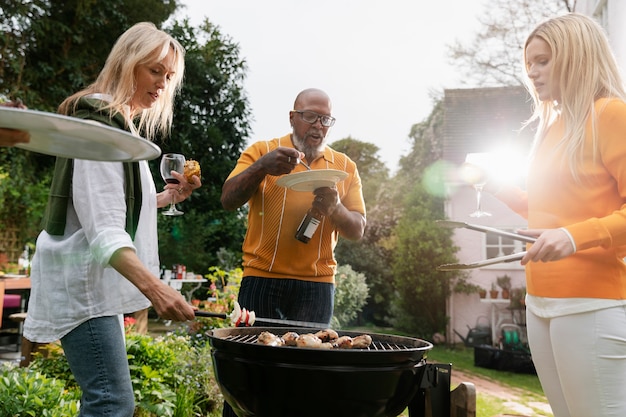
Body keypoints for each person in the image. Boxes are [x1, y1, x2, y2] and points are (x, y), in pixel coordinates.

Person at [23, 22, 199, 417]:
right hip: (83, 288)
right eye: (154, 70)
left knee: (107, 400)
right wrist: (158, 290)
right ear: (127, 63)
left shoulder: (117, 125)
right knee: (112, 402)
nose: (162, 84)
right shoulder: (101, 130)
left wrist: (165, 196)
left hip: (92, 287)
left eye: (168, 76)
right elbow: (104, 233)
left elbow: (108, 206)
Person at [491, 13, 626, 417]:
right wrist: (499, 188)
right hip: (540, 303)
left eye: (543, 60)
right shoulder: (554, 125)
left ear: (577, 57)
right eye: (529, 63)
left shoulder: (612, 114)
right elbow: (550, 210)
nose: (532, 72)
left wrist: (573, 237)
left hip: (591, 305)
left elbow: (573, 226)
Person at [220, 88, 366, 415]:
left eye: (325, 119)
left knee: (308, 383)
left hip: (316, 288)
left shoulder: (344, 167)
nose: (318, 126)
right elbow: (227, 198)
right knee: (248, 376)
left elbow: (357, 229)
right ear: (292, 117)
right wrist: (261, 168)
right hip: (261, 280)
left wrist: (336, 208)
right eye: (310, 116)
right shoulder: (264, 151)